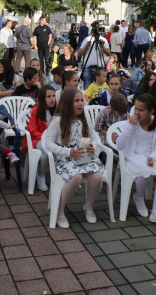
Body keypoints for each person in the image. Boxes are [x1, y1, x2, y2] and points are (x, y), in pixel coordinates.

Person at [45, 88, 105, 227]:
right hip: (65, 158)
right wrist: (69, 152)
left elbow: (95, 138)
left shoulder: (85, 117)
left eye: (81, 100)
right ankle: (60, 210)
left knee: (97, 177)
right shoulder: (57, 120)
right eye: (76, 101)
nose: (81, 104)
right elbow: (48, 144)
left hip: (84, 157)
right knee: (76, 177)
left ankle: (88, 206)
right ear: (66, 103)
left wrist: (93, 146)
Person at [116, 94, 156, 225]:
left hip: (151, 154)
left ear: (151, 111)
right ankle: (138, 196)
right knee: (146, 171)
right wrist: (130, 126)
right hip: (133, 155)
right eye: (136, 108)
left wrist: (152, 157)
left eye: (141, 110)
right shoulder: (131, 123)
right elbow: (119, 145)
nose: (137, 112)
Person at [22, 85, 56, 191]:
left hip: (53, 139)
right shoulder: (36, 110)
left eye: (54, 96)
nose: (52, 99)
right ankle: (41, 174)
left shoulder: (58, 108)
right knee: (47, 152)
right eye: (49, 96)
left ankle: (62, 175)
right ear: (42, 98)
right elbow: (33, 131)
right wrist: (46, 138)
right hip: (37, 139)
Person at [77, 23, 111, 89]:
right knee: (87, 89)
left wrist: (102, 46)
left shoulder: (103, 40)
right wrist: (86, 46)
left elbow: (108, 53)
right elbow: (79, 54)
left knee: (100, 88)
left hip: (99, 68)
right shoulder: (87, 39)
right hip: (88, 68)